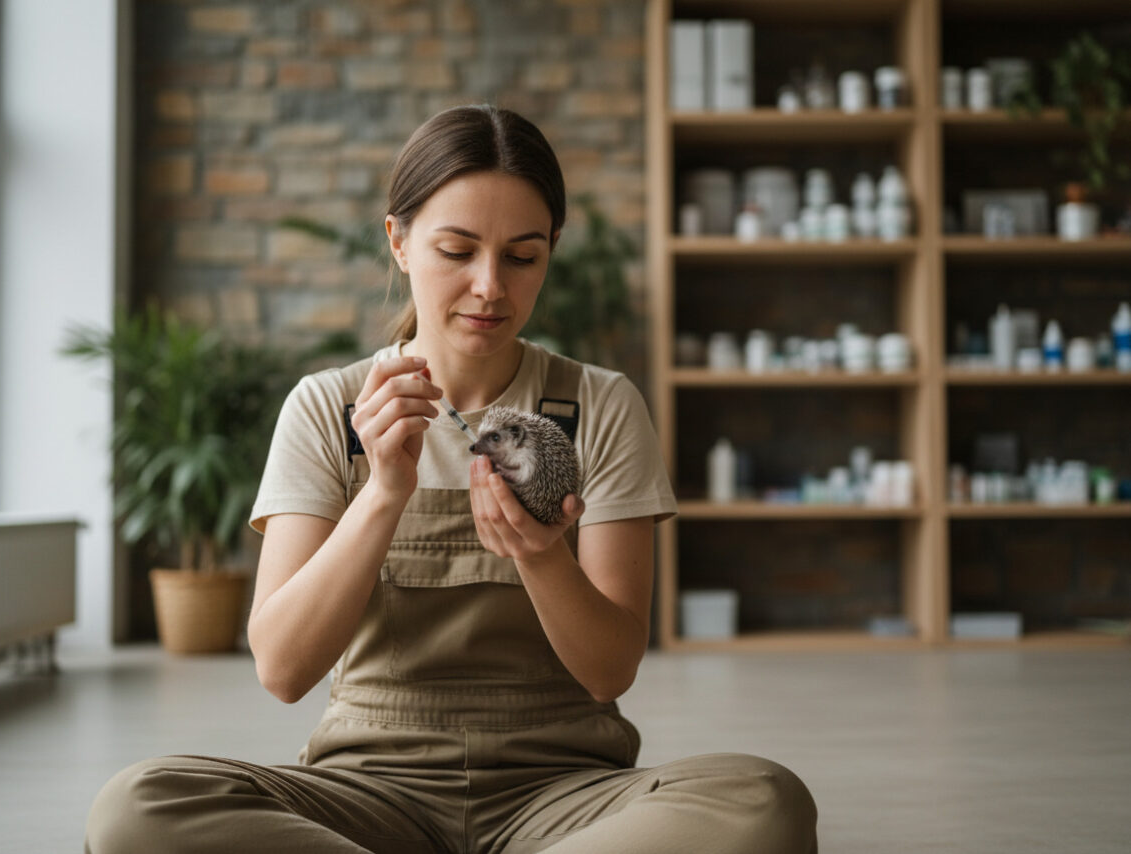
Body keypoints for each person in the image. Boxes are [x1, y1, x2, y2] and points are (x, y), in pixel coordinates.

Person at [85, 104, 817, 854]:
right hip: (364, 794)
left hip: (564, 797)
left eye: (522, 256)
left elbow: (610, 672)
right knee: (138, 808)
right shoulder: (328, 408)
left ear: (552, 251)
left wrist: (539, 553)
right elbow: (281, 667)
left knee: (762, 802)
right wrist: (382, 494)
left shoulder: (599, 405)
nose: (490, 287)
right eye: (457, 250)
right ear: (398, 241)